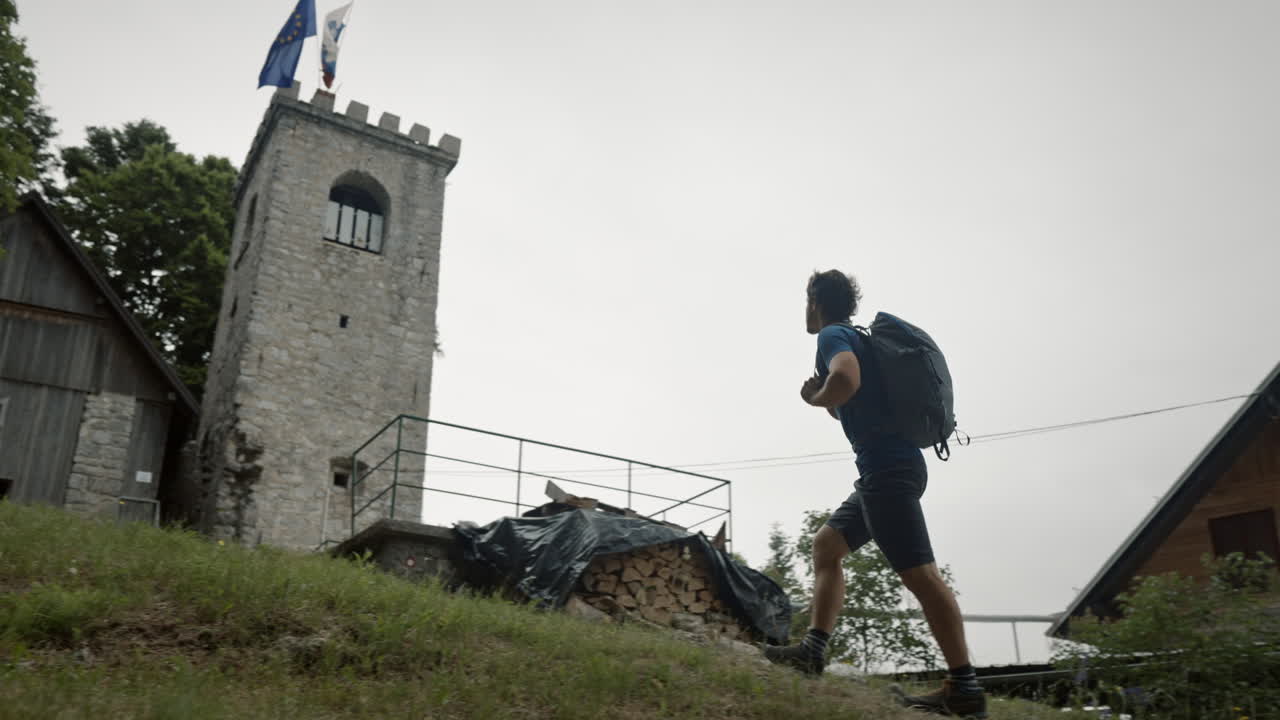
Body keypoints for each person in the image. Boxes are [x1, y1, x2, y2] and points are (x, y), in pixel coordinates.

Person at [763, 269, 986, 718]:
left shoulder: (831, 336)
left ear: (814, 302)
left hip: (888, 470)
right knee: (827, 545)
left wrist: (816, 398)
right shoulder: (859, 336)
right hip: (887, 469)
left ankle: (965, 689)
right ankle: (813, 651)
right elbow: (855, 400)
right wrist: (827, 399)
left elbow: (846, 381)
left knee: (921, 574)